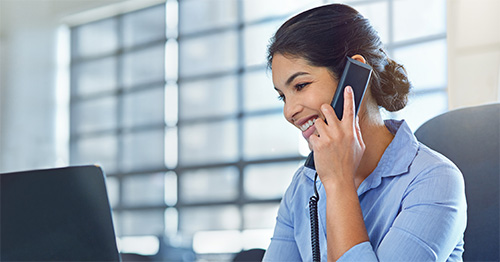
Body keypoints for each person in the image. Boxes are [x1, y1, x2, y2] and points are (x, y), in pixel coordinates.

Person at [262, 4, 467, 261]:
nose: (289, 111)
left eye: (301, 85)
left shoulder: (435, 180)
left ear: (355, 76)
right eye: (283, 97)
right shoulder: (304, 185)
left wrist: (338, 182)